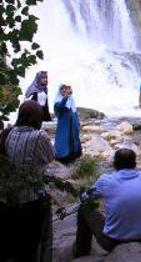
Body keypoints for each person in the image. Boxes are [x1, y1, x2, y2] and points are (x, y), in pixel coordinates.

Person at [0, 100, 56, 262]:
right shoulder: (39, 136)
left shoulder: (8, 132)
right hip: (33, 196)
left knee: (14, 240)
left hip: (9, 195)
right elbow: (51, 156)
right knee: (34, 242)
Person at [74, 149, 141, 257]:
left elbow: (85, 198)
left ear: (114, 165)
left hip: (113, 242)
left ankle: (81, 251)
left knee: (84, 208)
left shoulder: (106, 181)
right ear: (135, 164)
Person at [53, 84, 82, 164]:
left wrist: (77, 123)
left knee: (74, 139)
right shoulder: (57, 101)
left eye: (67, 88)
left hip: (72, 125)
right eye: (63, 89)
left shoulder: (71, 99)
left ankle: (73, 156)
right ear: (60, 90)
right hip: (64, 127)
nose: (65, 90)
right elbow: (60, 107)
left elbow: (74, 112)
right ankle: (62, 158)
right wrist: (65, 97)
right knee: (64, 141)